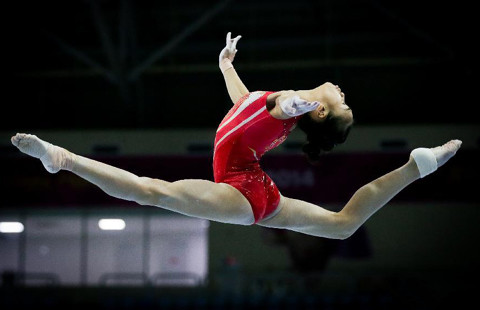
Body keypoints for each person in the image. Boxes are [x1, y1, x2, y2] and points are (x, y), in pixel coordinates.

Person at [11, 32, 461, 239]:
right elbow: (243, 102)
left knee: (153, 193)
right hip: (258, 191)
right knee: (343, 226)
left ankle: (62, 159)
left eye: (340, 102)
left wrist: (297, 103)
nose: (344, 93)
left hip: (243, 191)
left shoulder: (287, 106)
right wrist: (226, 65)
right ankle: (417, 165)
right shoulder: (272, 107)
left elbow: (276, 106)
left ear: (319, 110)